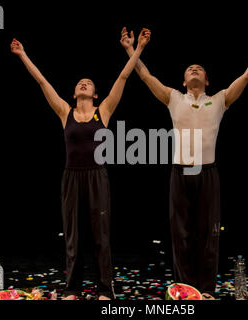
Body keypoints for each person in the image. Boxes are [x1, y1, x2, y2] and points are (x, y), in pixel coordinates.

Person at [120, 26, 248, 299]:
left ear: (206, 79)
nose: (194, 70)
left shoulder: (219, 99)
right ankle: (185, 290)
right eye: (189, 68)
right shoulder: (173, 97)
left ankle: (206, 291)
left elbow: (247, 76)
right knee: (180, 234)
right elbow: (144, 75)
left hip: (208, 173)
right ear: (182, 80)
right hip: (180, 172)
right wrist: (133, 48)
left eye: (198, 68)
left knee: (208, 234)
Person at [10, 28, 151, 300]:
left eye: (88, 83)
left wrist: (139, 48)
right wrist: (22, 54)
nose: (83, 84)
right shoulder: (65, 112)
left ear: (96, 94)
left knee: (101, 236)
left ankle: (104, 290)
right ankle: (72, 289)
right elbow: (42, 82)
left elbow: (123, 76)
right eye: (79, 83)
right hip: (71, 178)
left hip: (97, 177)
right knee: (73, 236)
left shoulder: (105, 110)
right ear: (74, 94)